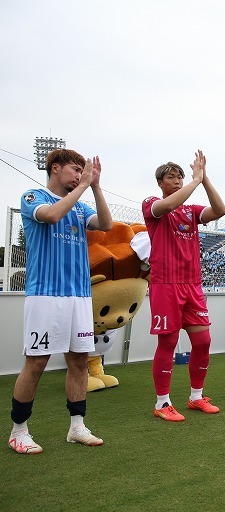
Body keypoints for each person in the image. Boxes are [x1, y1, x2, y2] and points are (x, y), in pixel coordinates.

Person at [9, 149, 113, 454]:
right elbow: (52, 215)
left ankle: (77, 426)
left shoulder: (80, 208)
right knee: (37, 362)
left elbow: (106, 224)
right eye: (75, 169)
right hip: (45, 297)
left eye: (84, 170)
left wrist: (95, 187)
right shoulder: (33, 197)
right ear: (55, 168)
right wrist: (84, 186)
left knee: (79, 361)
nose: (80, 175)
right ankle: (18, 431)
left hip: (79, 297)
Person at [143, 151, 225, 420]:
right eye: (172, 177)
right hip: (165, 284)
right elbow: (167, 207)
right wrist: (194, 181)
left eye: (180, 177)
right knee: (167, 343)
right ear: (160, 182)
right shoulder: (152, 203)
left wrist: (204, 180)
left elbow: (220, 210)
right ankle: (162, 403)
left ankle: (196, 397)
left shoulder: (190, 211)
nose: (178, 181)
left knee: (203, 341)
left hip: (192, 284)